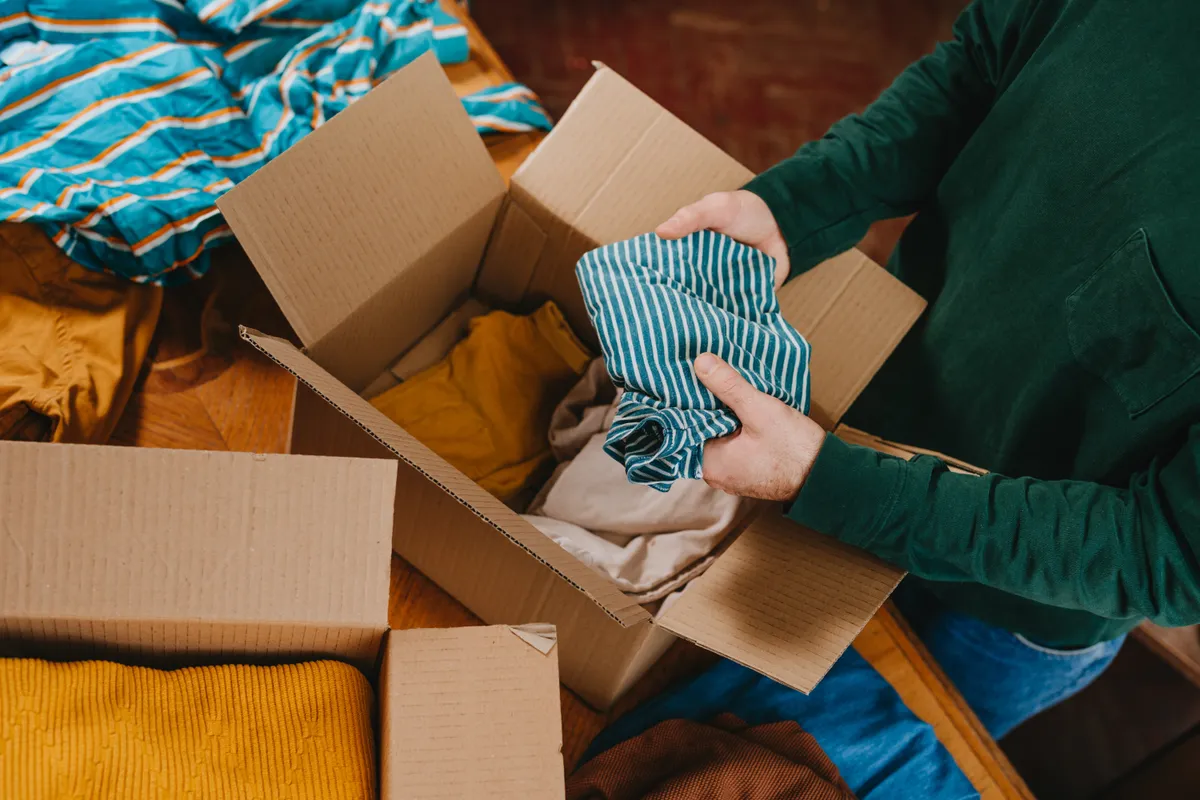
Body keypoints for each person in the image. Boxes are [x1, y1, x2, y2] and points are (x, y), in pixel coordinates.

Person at [656, 0, 1200, 738]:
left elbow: (1165, 549)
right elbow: (984, 65)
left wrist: (833, 484)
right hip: (842, 431)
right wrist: (799, 204)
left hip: (998, 611)